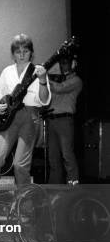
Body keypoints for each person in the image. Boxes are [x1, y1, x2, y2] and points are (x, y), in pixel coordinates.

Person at [0, 34, 51, 214]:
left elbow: (44, 100)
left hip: (30, 117)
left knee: (20, 166)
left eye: (25, 51)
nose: (21, 55)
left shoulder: (38, 71)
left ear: (31, 53)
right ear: (13, 54)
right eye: (18, 51)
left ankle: (26, 211)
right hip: (10, 119)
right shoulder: (6, 72)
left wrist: (43, 80)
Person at [46, 55, 81, 184]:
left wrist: (43, 78)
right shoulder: (58, 80)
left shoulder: (76, 80)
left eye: (65, 63)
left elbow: (60, 89)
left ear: (73, 64)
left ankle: (73, 188)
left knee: (67, 155)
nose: (62, 66)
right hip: (52, 120)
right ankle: (53, 189)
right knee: (53, 158)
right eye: (61, 63)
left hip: (65, 121)